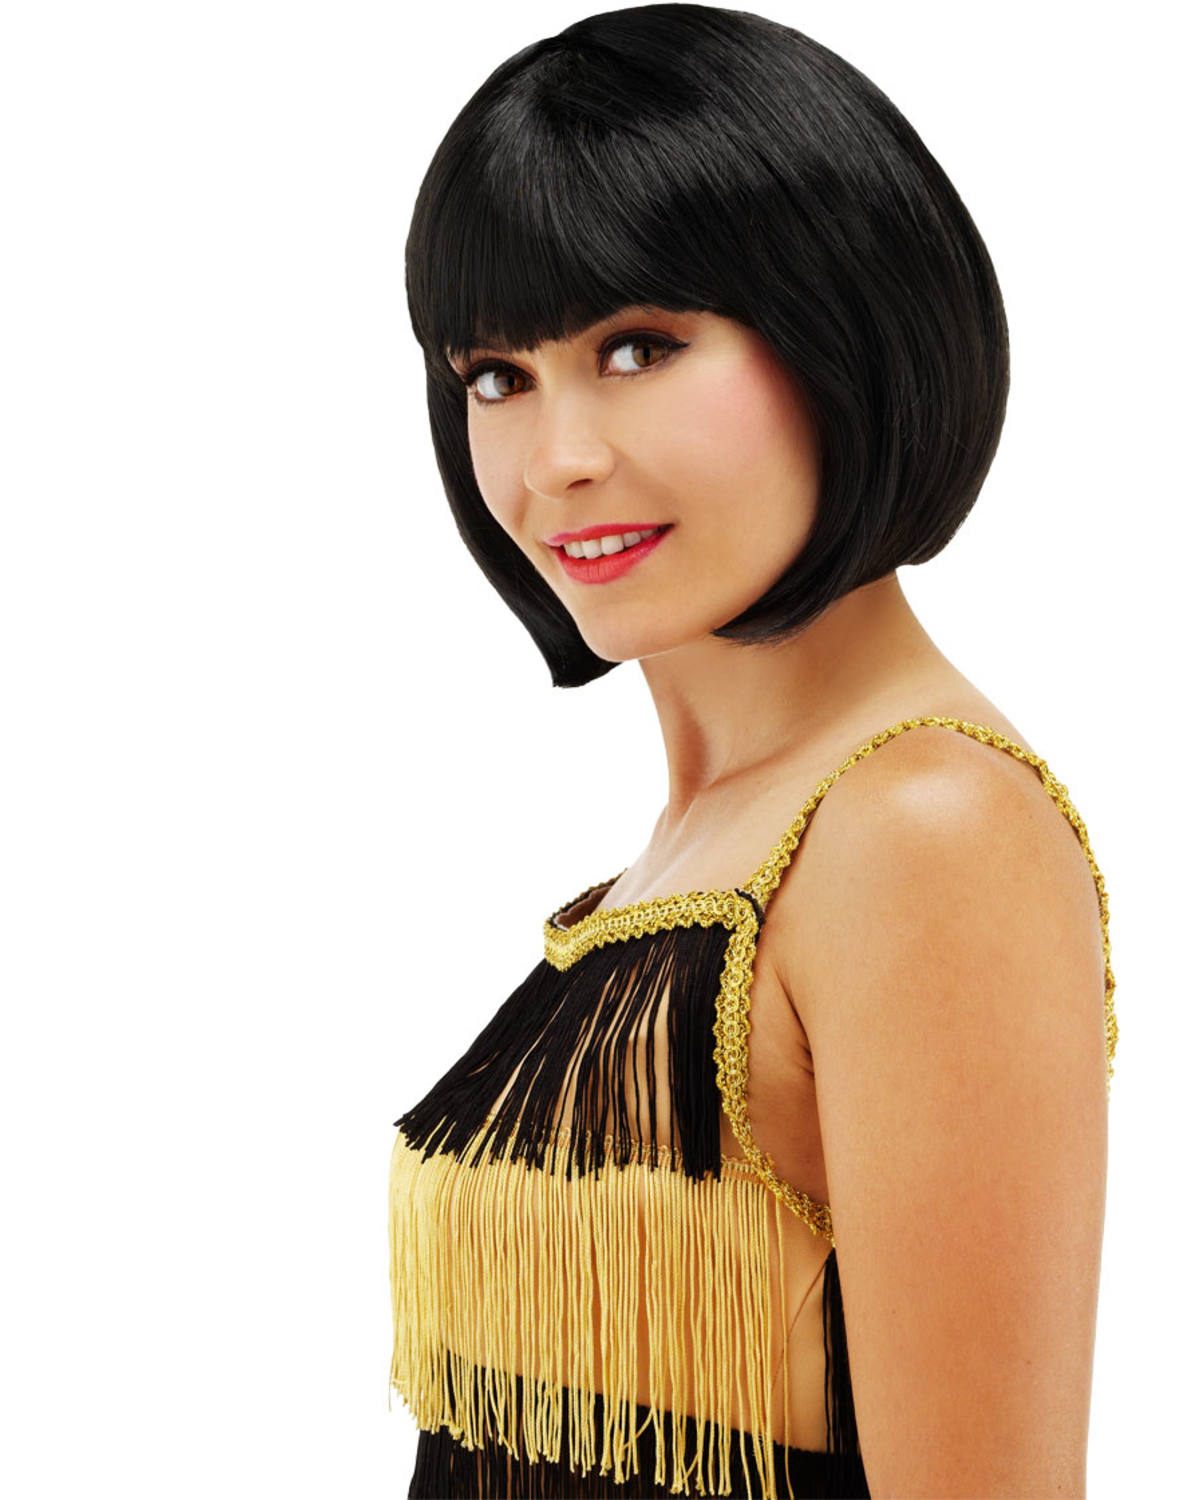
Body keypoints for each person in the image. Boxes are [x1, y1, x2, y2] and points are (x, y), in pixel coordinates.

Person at [388, 6, 1117, 1496]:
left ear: (842, 324)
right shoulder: (700, 848)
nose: (557, 458)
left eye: (637, 347)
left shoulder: (923, 830)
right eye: (498, 375)